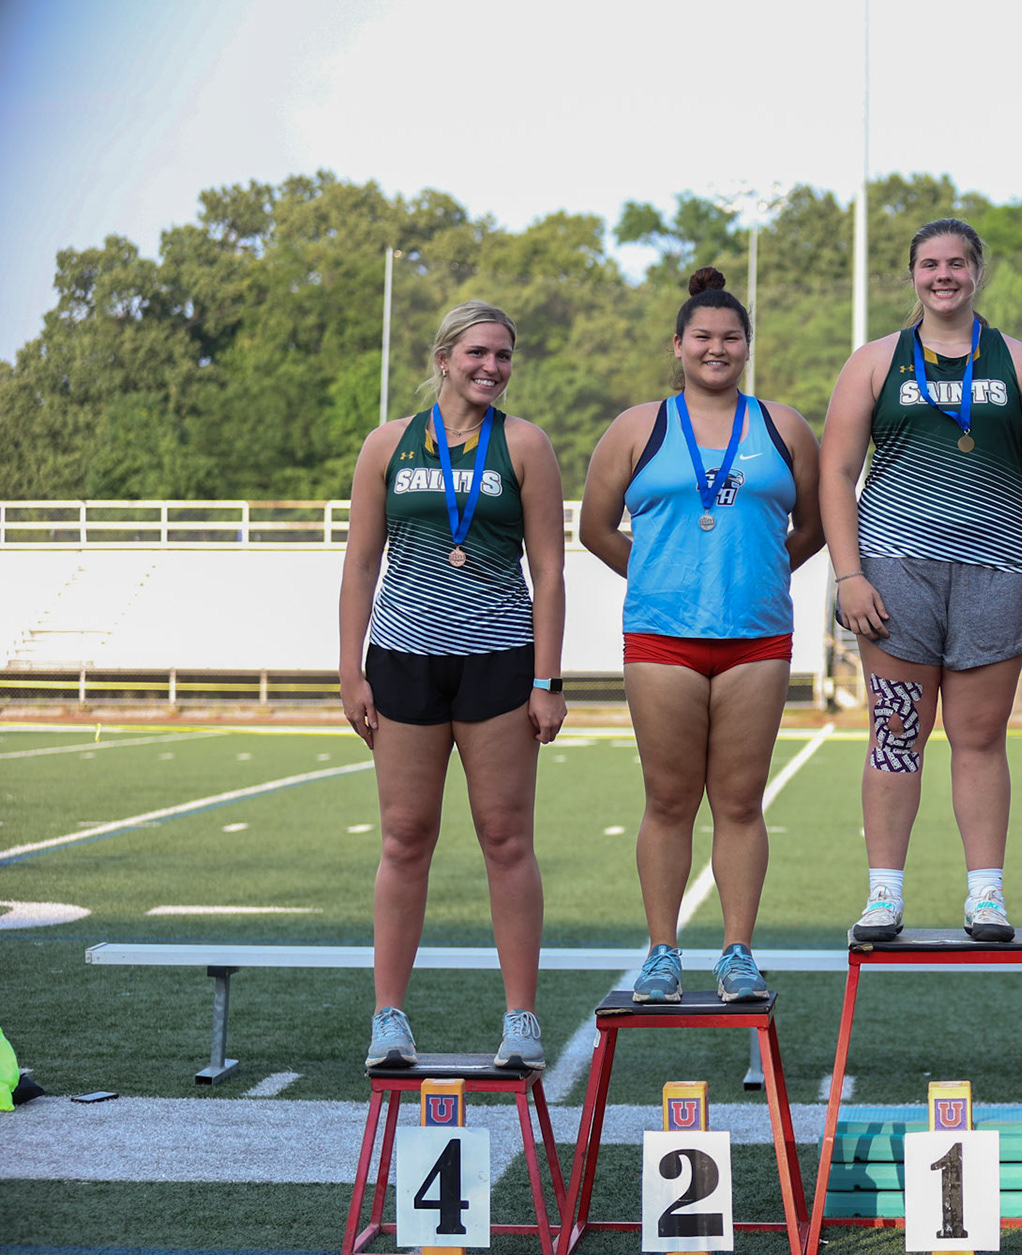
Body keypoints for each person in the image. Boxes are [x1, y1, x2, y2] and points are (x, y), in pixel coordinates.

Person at [820, 218, 1022, 943]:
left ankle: (985, 895)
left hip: (1000, 570)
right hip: (895, 569)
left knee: (979, 736)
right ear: (912, 276)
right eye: (930, 264)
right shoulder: (875, 362)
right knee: (896, 730)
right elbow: (835, 472)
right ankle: (884, 895)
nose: (944, 275)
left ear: (978, 272)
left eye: (957, 263)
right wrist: (848, 574)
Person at [581, 268, 824, 1002]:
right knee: (668, 800)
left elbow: (812, 526)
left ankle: (738, 952)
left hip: (755, 637)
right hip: (662, 637)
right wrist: (660, 574)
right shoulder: (637, 426)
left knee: (742, 801)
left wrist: (754, 573)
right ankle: (661, 952)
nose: (716, 349)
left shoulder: (782, 427)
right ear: (678, 345)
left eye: (730, 337)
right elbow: (595, 528)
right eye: (702, 337)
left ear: (747, 346)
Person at [340, 300, 567, 1071]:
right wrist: (350, 669)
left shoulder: (526, 445)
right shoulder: (386, 446)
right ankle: (390, 1019)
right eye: (477, 353)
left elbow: (551, 571)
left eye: (503, 356)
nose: (491, 368)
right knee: (405, 838)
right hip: (403, 659)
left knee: (506, 839)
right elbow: (362, 565)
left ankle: (521, 1020)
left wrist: (548, 678)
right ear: (444, 357)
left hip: (499, 660)